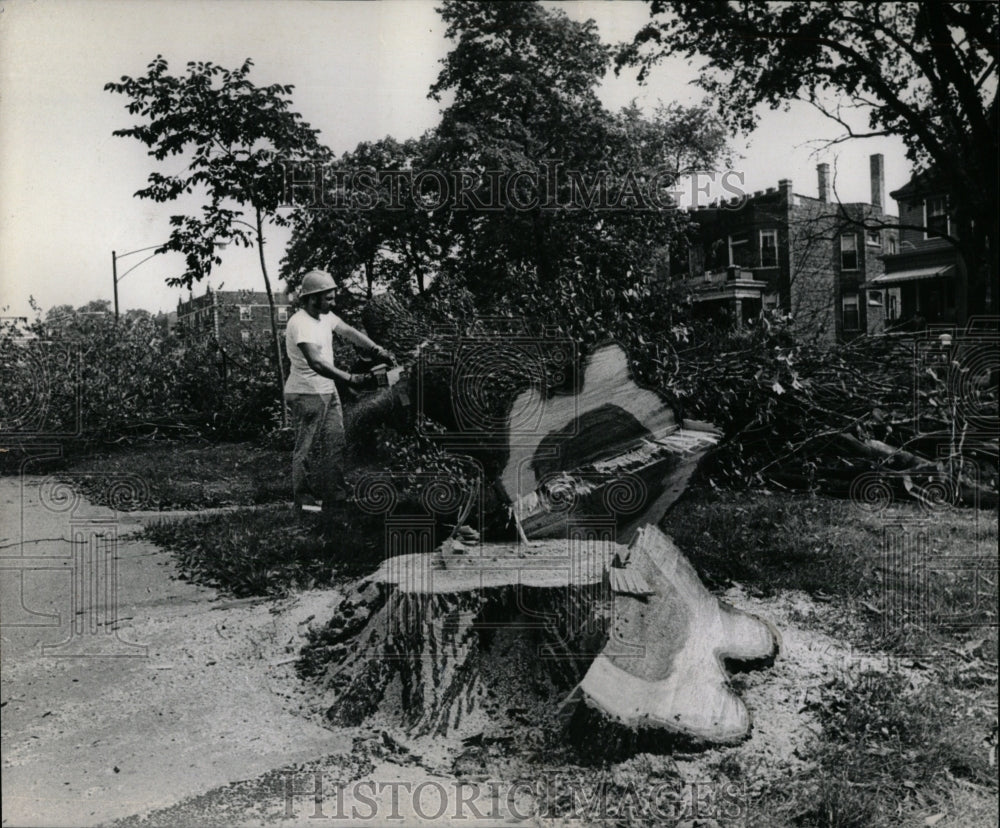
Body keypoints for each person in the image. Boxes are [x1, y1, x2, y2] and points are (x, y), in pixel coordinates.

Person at [284, 270, 394, 516]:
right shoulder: (300, 324)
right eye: (329, 299)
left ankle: (335, 498)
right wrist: (351, 379)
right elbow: (317, 363)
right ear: (313, 299)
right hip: (306, 392)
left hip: (327, 390)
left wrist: (377, 349)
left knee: (335, 443)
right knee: (308, 448)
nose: (333, 303)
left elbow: (349, 332)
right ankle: (305, 503)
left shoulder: (325, 316)